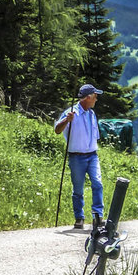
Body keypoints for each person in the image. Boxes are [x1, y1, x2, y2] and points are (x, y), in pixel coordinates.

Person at [55, 84, 104, 229]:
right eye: (95, 96)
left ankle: (97, 215)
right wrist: (66, 121)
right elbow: (57, 130)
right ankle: (79, 217)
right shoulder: (71, 112)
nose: (96, 100)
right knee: (78, 189)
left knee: (97, 183)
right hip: (76, 157)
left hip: (92, 155)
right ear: (88, 97)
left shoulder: (91, 114)